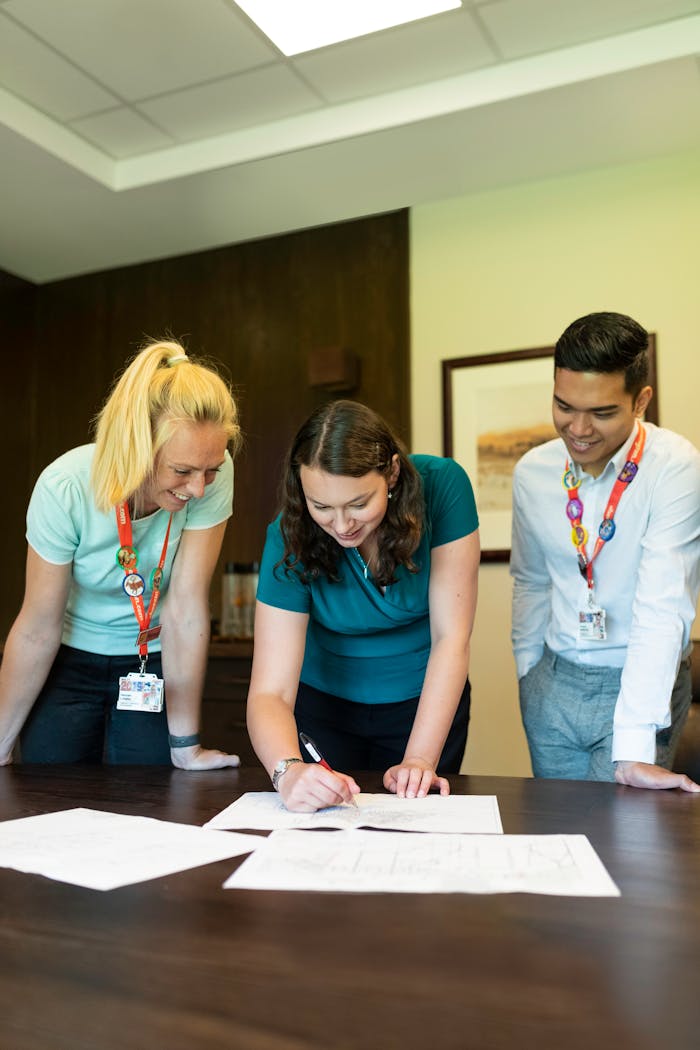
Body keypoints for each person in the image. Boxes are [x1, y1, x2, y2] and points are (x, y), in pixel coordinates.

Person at [0, 338, 243, 769]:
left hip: (150, 660)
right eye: (182, 472)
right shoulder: (66, 487)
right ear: (136, 446)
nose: (199, 489)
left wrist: (186, 745)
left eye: (212, 470)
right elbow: (38, 626)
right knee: (49, 786)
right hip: (68, 657)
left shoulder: (209, 474)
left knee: (149, 790)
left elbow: (185, 609)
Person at [246, 399, 480, 812]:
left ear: (391, 472)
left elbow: (451, 638)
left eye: (358, 504)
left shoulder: (443, 486)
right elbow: (271, 690)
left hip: (424, 702)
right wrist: (288, 771)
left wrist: (420, 759)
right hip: (325, 708)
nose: (341, 525)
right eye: (322, 507)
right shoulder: (289, 533)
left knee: (415, 829)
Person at [510, 311, 700, 791]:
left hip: (638, 684)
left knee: (622, 843)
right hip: (553, 679)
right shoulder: (534, 471)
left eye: (601, 412)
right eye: (564, 406)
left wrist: (635, 743)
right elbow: (530, 579)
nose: (578, 429)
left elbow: (663, 602)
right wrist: (529, 672)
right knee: (557, 837)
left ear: (641, 401)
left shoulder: (676, 469)